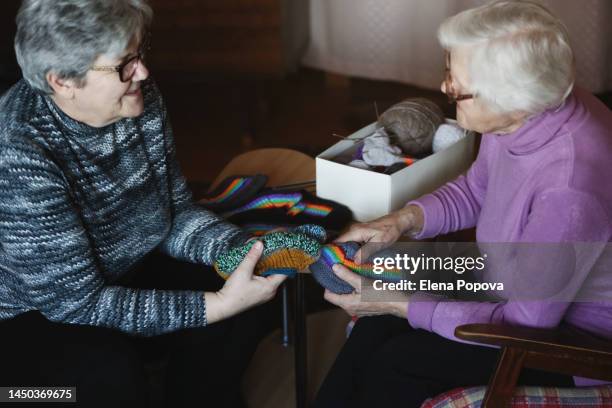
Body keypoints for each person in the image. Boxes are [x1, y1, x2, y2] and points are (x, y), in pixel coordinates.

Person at [314, 1, 612, 407]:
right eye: (448, 72)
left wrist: (404, 305)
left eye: (456, 85)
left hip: (566, 344)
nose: (444, 88)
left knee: (397, 361)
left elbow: (528, 326)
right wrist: (402, 220)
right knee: (377, 325)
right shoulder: (524, 112)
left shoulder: (569, 189)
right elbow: (477, 190)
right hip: (513, 285)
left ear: (513, 99)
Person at [0, 1, 286, 407]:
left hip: (123, 269)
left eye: (139, 52)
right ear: (63, 81)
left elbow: (172, 213)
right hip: (32, 313)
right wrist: (217, 306)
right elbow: (77, 304)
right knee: (106, 377)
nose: (143, 71)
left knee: (246, 289)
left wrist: (243, 251)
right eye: (124, 64)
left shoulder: (138, 97)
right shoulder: (19, 154)